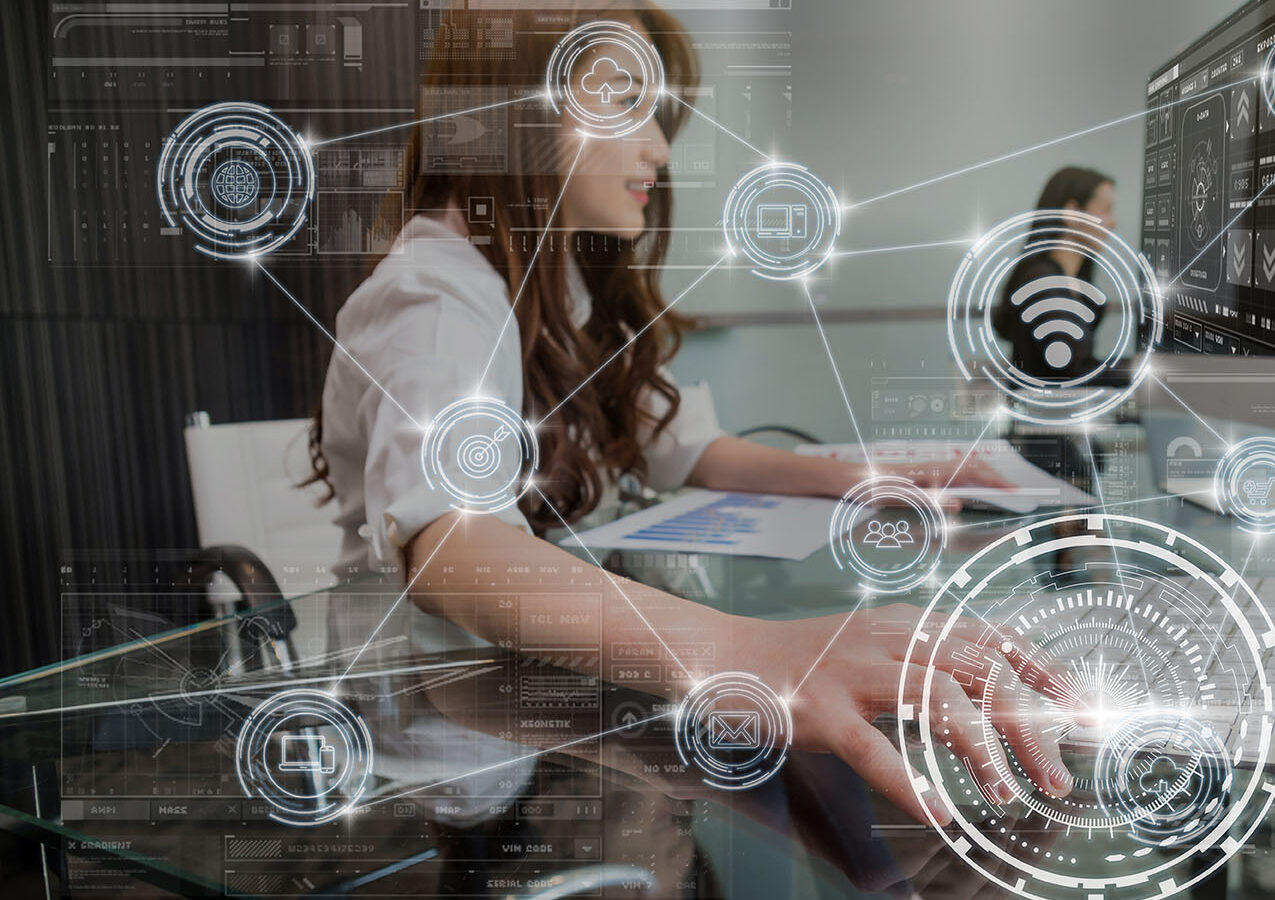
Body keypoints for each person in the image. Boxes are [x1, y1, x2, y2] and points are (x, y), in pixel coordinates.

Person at [307, 0, 1073, 834]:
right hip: (444, 767)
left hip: (533, 710)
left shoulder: (560, 281)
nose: (659, 150)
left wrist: (851, 478)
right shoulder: (438, 292)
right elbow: (454, 547)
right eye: (627, 102)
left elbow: (685, 449)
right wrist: (750, 655)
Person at [992, 166, 1118, 381]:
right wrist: (1140, 370)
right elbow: (1073, 368)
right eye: (1105, 210)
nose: (1112, 222)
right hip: (1042, 409)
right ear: (1072, 213)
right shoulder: (1043, 281)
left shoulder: (1071, 282)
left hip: (1059, 407)